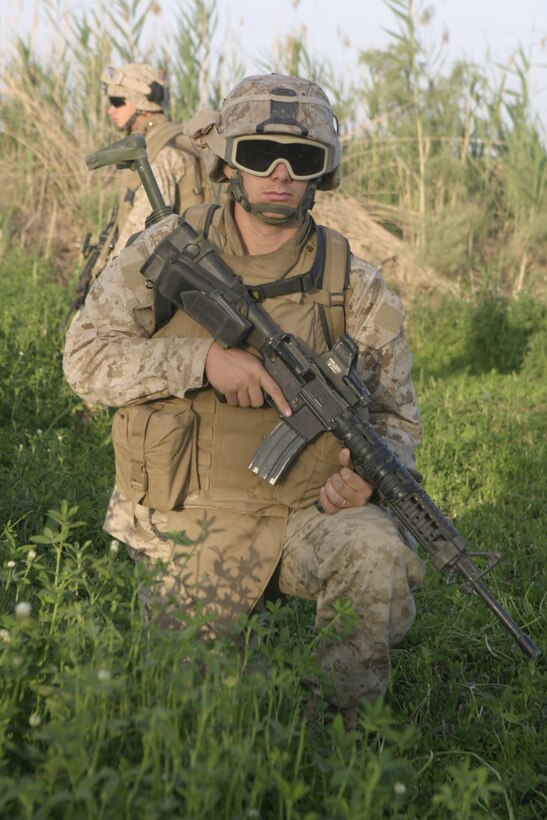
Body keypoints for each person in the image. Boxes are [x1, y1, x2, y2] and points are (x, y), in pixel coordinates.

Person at [63, 73, 425, 726]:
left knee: (374, 550)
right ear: (229, 158)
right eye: (260, 154)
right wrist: (200, 359)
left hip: (304, 518)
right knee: (181, 721)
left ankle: (337, 741)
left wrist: (365, 480)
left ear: (323, 171)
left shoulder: (359, 287)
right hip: (190, 519)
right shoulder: (164, 249)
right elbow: (85, 361)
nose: (279, 173)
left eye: (301, 158)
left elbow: (394, 418)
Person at [79, 63, 213, 294]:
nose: (111, 110)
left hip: (162, 276)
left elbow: (142, 231)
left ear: (141, 103)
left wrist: (106, 281)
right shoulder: (174, 138)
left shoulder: (158, 150)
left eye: (118, 102)